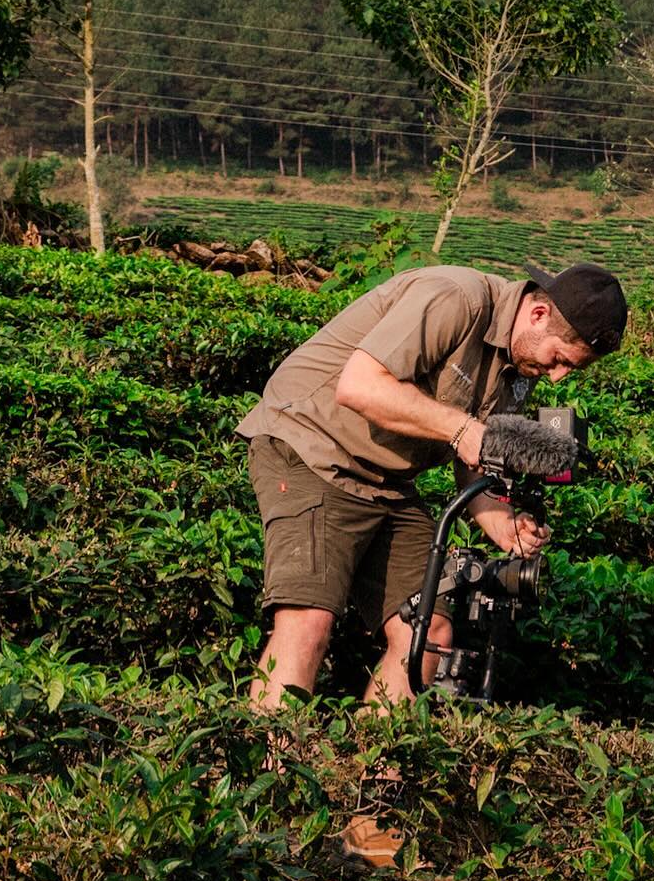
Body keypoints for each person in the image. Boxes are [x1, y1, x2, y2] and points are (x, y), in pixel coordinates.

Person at [238, 259, 627, 714]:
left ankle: (373, 773)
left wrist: (504, 525)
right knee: (309, 619)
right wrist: (462, 428)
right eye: (559, 358)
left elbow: (470, 458)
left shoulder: (518, 368)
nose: (558, 375)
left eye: (571, 369)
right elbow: (360, 386)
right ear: (538, 314)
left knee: (429, 633)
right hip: (313, 447)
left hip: (388, 481)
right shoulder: (454, 298)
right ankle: (271, 773)